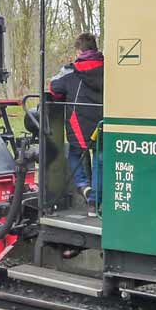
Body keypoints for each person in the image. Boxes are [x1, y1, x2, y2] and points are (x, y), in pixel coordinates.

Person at [49, 33, 104, 216]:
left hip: (78, 124)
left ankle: (83, 186)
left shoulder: (71, 71)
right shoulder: (109, 69)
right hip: (103, 124)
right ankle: (94, 204)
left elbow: (54, 88)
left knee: (75, 153)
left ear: (79, 50)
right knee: (99, 159)